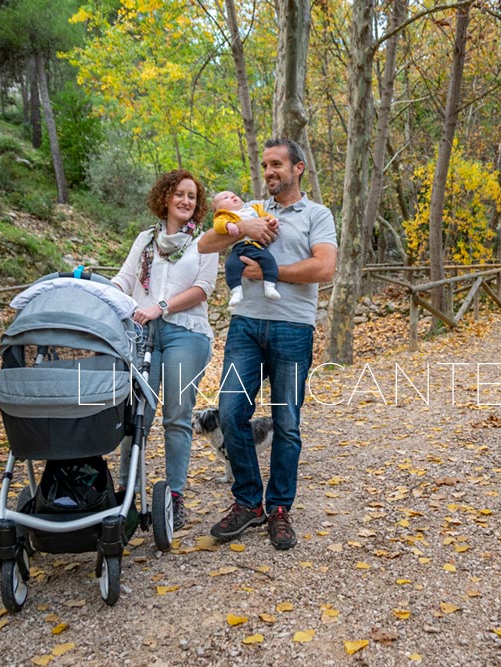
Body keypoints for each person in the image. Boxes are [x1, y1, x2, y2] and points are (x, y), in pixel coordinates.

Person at [198, 138, 337, 550]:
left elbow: (324, 266)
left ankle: (278, 509)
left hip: (293, 329)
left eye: (277, 164)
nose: (269, 171)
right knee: (230, 412)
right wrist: (245, 227)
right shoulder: (254, 210)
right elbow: (206, 243)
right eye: (264, 165)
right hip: (245, 327)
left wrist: (269, 275)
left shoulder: (317, 214)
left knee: (287, 424)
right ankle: (248, 502)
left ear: (299, 169)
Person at [111, 169, 218, 531]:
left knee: (176, 414)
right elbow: (125, 280)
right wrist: (101, 292)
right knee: (136, 414)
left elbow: (203, 288)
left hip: (186, 333)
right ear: (165, 197)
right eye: (180, 194)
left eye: (193, 196)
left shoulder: (205, 242)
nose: (186, 201)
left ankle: (174, 496)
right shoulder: (145, 240)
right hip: (142, 333)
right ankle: (126, 493)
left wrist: (162, 306)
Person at [211, 190, 281, 307]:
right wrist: (228, 225)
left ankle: (270, 286)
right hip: (239, 248)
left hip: (256, 245)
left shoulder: (253, 209)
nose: (232, 196)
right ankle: (236, 291)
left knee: (269, 260)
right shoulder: (224, 216)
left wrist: (273, 220)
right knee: (231, 265)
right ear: (220, 209)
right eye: (226, 198)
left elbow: (266, 216)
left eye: (233, 194)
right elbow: (218, 226)